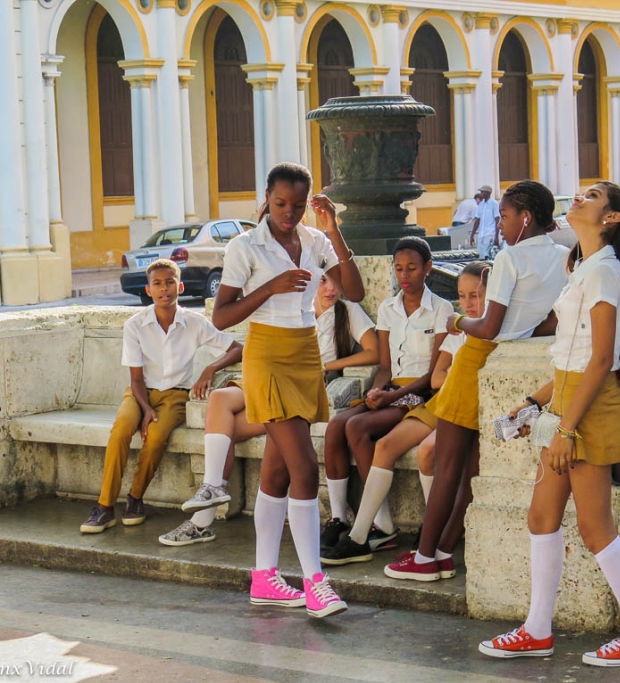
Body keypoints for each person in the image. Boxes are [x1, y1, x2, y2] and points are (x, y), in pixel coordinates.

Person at [478, 182, 620, 668]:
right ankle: (537, 630)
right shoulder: (579, 266)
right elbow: (569, 358)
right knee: (542, 518)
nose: (580, 197)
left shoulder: (606, 272)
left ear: (612, 218)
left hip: (588, 409)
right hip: (566, 403)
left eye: (594, 195)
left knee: (595, 526)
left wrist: (564, 429)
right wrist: (528, 405)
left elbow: (602, 360)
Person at [385, 180, 569, 582]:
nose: (499, 224)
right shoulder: (563, 255)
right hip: (514, 358)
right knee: (470, 468)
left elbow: (486, 326)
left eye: (504, 216)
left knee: (448, 465)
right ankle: (444, 552)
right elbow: (554, 320)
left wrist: (455, 320)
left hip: (475, 360)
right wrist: (521, 332)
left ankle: (423, 558)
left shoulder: (510, 259)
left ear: (525, 218)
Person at [212, 162, 364, 619]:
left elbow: (353, 290)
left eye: (298, 205)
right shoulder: (246, 245)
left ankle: (264, 578)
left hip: (303, 354)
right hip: (266, 355)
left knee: (277, 472)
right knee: (304, 466)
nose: (289, 213)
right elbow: (222, 317)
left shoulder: (315, 241)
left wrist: (333, 230)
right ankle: (316, 582)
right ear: (267, 197)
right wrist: (271, 287)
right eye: (281, 204)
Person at [158, 274, 378, 546]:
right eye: (322, 280)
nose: (330, 288)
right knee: (219, 400)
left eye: (335, 281)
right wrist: (213, 367)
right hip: (267, 379)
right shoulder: (296, 306)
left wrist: (328, 366)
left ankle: (202, 521)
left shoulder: (347, 312)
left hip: (298, 392)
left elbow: (373, 352)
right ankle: (212, 490)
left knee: (223, 432)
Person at [320, 261, 488, 567]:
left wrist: (448, 375)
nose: (467, 303)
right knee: (362, 436)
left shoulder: (457, 316)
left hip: (435, 399)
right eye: (462, 296)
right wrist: (380, 389)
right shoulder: (442, 323)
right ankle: (359, 533)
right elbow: (426, 375)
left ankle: (423, 531)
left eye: (475, 296)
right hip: (424, 397)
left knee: (412, 445)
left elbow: (434, 379)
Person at [80, 259, 242, 534]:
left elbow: (237, 348)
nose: (164, 289)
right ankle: (105, 507)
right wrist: (145, 410)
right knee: (120, 431)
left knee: (155, 438)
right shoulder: (136, 325)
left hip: (176, 397)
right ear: (148, 289)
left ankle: (135, 499)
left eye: (169, 282)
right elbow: (135, 378)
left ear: (179, 286)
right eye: (157, 283)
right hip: (139, 393)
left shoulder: (194, 322)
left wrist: (210, 368)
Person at [470, 185, 499, 258]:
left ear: (488, 193)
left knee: (488, 255)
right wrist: (472, 234)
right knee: (481, 255)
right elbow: (477, 220)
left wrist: (496, 236)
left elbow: (497, 220)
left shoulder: (494, 204)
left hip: (490, 233)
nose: (481, 194)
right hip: (481, 234)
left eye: (482, 192)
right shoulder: (481, 205)